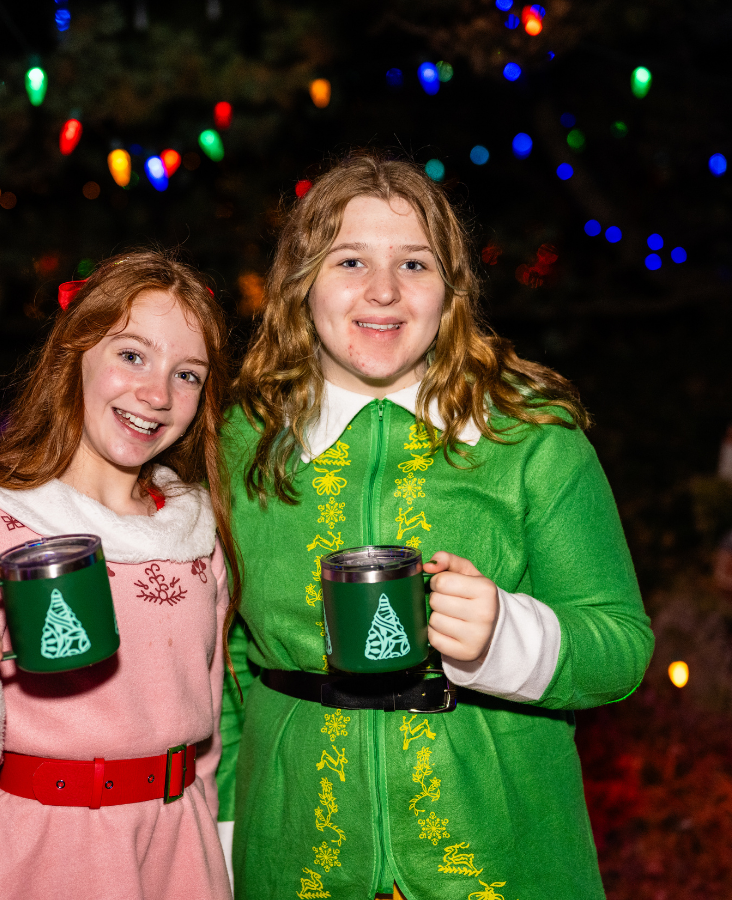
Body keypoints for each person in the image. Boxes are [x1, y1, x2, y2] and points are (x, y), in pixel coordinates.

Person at [216, 154, 654, 900]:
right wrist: (225, 837)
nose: (383, 290)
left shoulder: (530, 438)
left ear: (450, 290)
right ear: (302, 283)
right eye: (350, 260)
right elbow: (221, 659)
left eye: (413, 264)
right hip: (293, 850)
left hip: (501, 853)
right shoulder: (239, 442)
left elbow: (621, 647)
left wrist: (506, 635)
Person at [0, 249, 239, 900]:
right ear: (73, 354)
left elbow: (207, 746)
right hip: (40, 860)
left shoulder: (194, 531)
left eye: (187, 374)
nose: (157, 395)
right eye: (132, 355)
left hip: (178, 860)